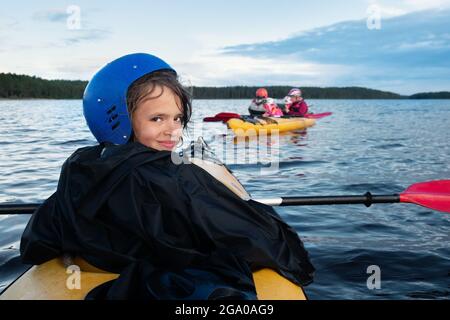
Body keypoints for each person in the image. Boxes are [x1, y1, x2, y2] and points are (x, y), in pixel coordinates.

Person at [19, 53, 314, 300]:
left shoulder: (82, 167)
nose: (173, 131)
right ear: (118, 118)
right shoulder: (171, 178)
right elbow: (257, 239)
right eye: (157, 119)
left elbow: (37, 242)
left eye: (177, 119)